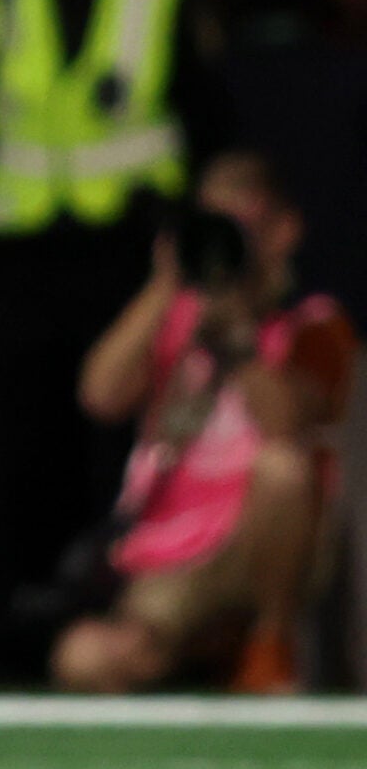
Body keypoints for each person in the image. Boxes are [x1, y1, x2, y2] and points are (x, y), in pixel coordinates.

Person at [0, 0, 228, 631]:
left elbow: (205, 112)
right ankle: (21, 612)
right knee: (24, 434)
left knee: (119, 432)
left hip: (127, 246)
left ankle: (115, 598)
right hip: (26, 249)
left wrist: (184, 238)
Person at [50, 152, 353, 693]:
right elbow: (98, 395)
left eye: (239, 227)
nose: (224, 243)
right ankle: (196, 661)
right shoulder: (174, 321)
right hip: (173, 550)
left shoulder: (316, 326)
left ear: (283, 231)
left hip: (262, 543)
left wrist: (238, 334)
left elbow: (286, 425)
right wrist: (165, 284)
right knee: (82, 659)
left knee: (281, 469)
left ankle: (268, 645)